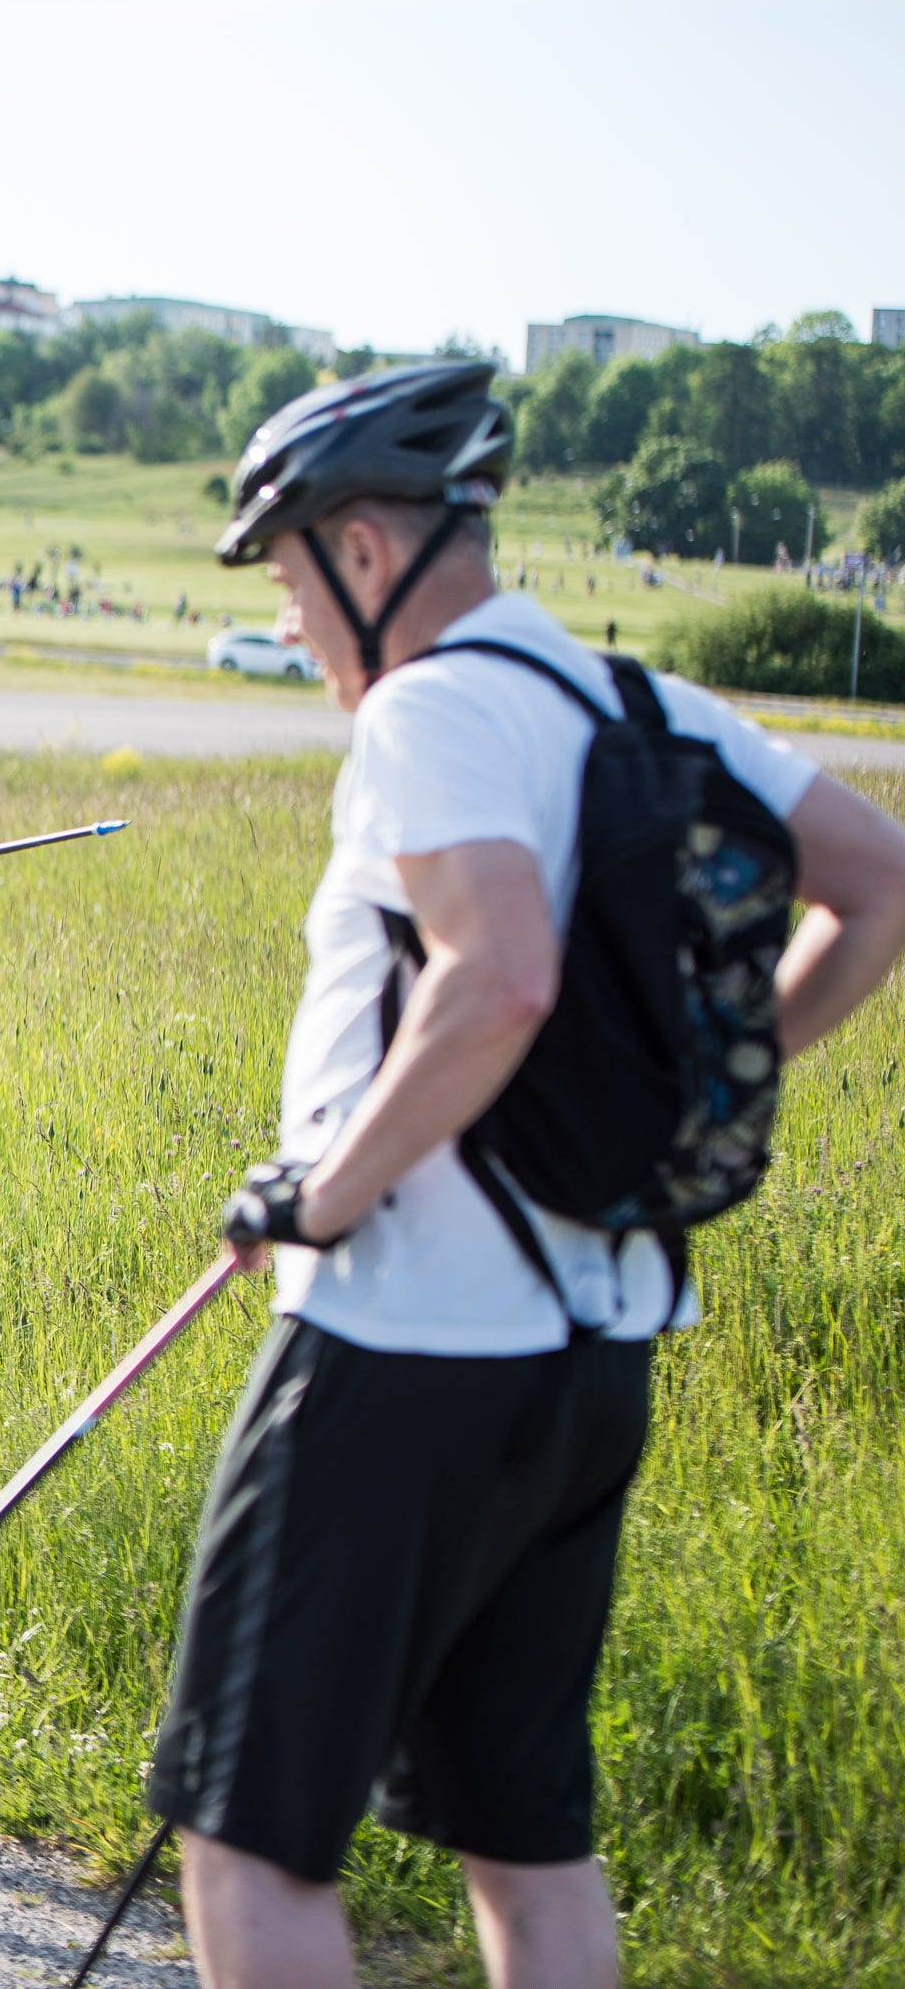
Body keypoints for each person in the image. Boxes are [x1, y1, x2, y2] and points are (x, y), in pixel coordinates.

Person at [158, 361, 905, 1989]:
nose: (292, 627)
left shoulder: (430, 706)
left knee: (248, 1833)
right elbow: (882, 882)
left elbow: (496, 978)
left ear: (363, 552)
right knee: (525, 1835)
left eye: (290, 582)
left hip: (402, 1343)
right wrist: (704, 1098)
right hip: (591, 1354)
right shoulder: (642, 703)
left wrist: (326, 1192)